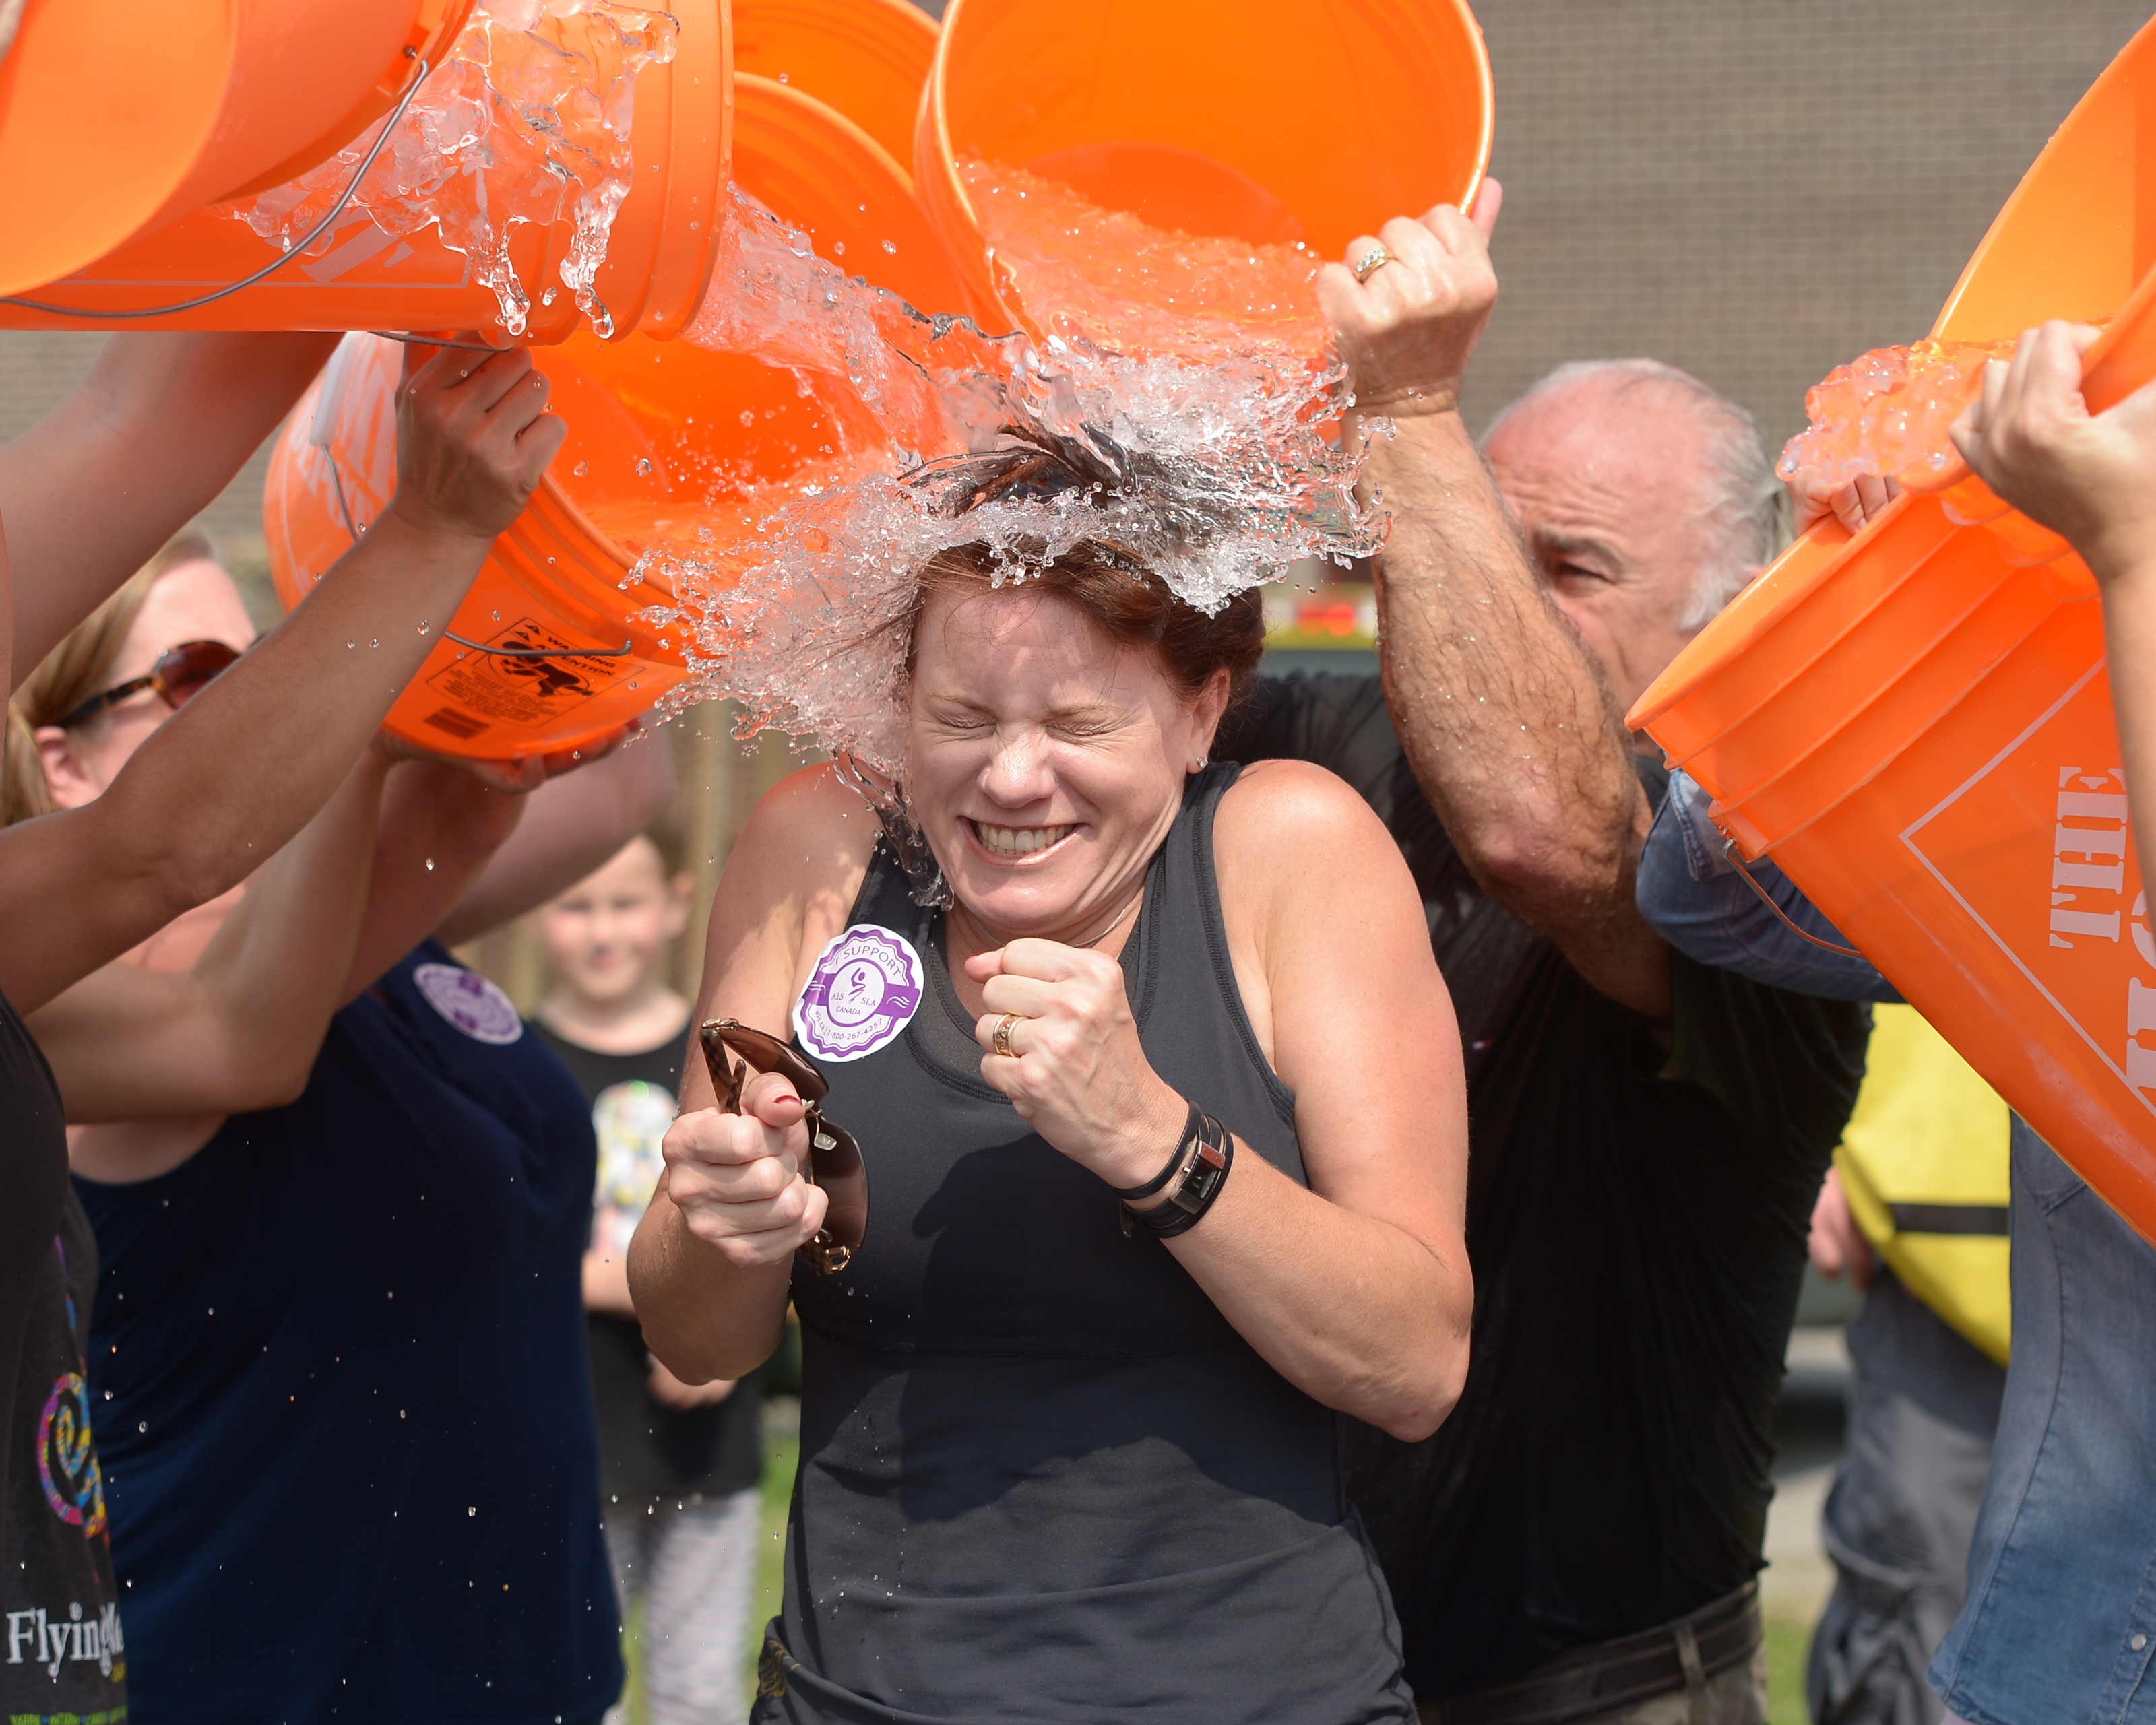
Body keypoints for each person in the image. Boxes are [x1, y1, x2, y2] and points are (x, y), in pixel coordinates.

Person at [1205, 189, 1870, 1724]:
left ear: (1724, 625)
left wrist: (1414, 405)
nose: (1497, 598)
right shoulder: (1321, 740)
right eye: (1478, 548)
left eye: (1566, 567)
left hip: (1597, 1686)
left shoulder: (1771, 865)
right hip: (1290, 1671)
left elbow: (1544, 833)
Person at [629, 525, 1474, 1722]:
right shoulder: (816, 845)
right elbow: (696, 1338)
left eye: (1078, 725)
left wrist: (1157, 1145)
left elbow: (1417, 1363)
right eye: (963, 716)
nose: (1014, 777)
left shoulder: (1293, 851)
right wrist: (724, 1224)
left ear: (1201, 713)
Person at [1, 527, 675, 1723]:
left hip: (525, 1684)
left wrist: (606, 497)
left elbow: (624, 783)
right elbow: (250, 1032)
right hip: (259, 1688)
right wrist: (383, 639)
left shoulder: (347, 902)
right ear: (64, 764)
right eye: (205, 679)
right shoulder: (68, 1013)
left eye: (277, 657)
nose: (280, 691)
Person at [1661, 323, 2156, 1725]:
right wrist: (1857, 637)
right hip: (2060, 1661)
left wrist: (2127, 559)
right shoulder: (2083, 704)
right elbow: (1714, 907)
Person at [531, 824, 767, 1725]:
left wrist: (721, 1335)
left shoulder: (727, 1061)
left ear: (674, 904)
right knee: (575, 1690)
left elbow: (783, 1222)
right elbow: (509, 1247)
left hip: (709, 1446)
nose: (603, 929)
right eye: (575, 904)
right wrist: (677, 1301)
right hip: (570, 1438)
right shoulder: (517, 1060)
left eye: (625, 903)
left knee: (700, 1694)